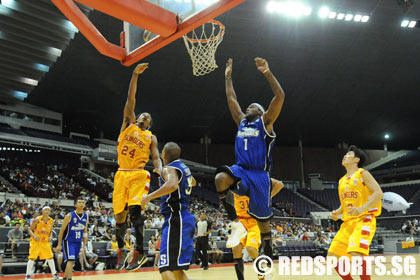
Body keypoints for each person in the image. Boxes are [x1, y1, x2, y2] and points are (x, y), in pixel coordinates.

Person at [214, 57, 285, 275]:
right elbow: (231, 98)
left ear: (262, 112)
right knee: (220, 179)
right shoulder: (241, 121)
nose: (248, 106)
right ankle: (235, 222)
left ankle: (268, 245)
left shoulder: (265, 123)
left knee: (263, 221)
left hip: (259, 174)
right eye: (248, 105)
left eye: (253, 106)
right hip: (241, 169)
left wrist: (267, 72)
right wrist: (228, 77)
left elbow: (280, 96)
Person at [113, 63, 161, 271]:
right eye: (142, 114)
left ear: (149, 124)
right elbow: (130, 101)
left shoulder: (151, 137)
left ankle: (140, 251)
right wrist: (134, 75)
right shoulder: (128, 124)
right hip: (121, 173)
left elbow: (156, 156)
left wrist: (158, 167)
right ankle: (122, 249)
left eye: (148, 118)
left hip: (139, 173)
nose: (144, 116)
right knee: (119, 217)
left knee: (135, 211)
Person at [142, 142, 196, 280]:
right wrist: (164, 175)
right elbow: (193, 182)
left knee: (164, 267)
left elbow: (172, 184)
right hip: (184, 218)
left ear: (163, 154)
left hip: (176, 219)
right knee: (176, 270)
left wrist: (148, 197)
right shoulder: (184, 168)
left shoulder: (169, 168)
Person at [328, 145, 384, 280]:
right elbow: (345, 204)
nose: (345, 155)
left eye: (349, 154)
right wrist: (337, 211)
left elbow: (379, 193)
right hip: (347, 223)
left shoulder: (363, 174)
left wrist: (361, 208)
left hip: (364, 219)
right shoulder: (341, 181)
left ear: (356, 160)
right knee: (332, 257)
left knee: (356, 254)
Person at [232, 178, 284, 280]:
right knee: (236, 249)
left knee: (250, 248)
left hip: (254, 220)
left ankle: (261, 273)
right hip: (240, 222)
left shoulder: (256, 177)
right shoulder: (235, 177)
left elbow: (279, 184)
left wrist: (268, 197)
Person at [55, 197, 89, 280]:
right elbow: (61, 231)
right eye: (79, 202)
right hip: (68, 241)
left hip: (78, 242)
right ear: (75, 205)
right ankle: (69, 278)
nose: (81, 204)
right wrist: (59, 245)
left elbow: (85, 232)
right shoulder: (69, 215)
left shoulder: (86, 216)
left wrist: (84, 245)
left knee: (72, 261)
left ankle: (65, 277)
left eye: (82, 202)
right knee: (70, 260)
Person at [25, 206, 60, 280]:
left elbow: (50, 231)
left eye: (48, 210)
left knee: (50, 257)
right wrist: (34, 236)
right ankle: (27, 275)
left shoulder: (51, 220)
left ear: (50, 212)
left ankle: (54, 275)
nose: (47, 211)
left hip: (45, 242)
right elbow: (30, 230)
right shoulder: (37, 219)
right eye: (45, 210)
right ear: (42, 211)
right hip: (36, 242)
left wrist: (50, 237)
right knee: (32, 258)